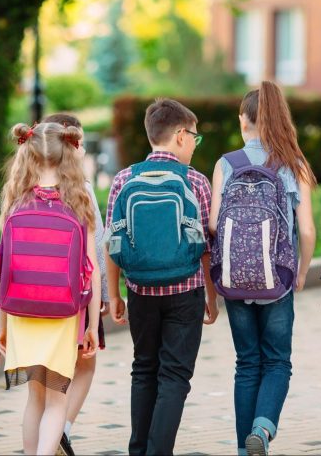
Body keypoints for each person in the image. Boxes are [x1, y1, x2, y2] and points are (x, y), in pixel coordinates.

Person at [208, 81, 316, 456]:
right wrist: (301, 272)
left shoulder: (226, 164)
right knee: (277, 362)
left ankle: (244, 449)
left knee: (247, 364)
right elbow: (306, 229)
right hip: (278, 279)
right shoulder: (293, 163)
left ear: (243, 120)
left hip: (235, 280)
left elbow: (212, 224)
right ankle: (263, 429)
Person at [106, 98, 218, 455]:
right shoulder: (197, 183)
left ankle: (138, 449)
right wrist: (211, 297)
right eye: (195, 139)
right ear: (182, 136)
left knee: (144, 369)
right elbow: (205, 247)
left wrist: (114, 295)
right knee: (174, 376)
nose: (194, 147)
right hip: (185, 292)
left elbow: (112, 241)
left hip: (140, 289)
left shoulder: (124, 179)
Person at [0, 122, 102, 455]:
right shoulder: (78, 201)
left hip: (22, 312)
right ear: (68, 153)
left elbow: (3, 268)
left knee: (34, 398)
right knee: (58, 400)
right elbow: (92, 270)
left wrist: (2, 324)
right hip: (63, 314)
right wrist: (91, 327)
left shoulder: (14, 201)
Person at [42, 112, 110, 456]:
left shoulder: (26, 186)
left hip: (36, 296)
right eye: (78, 142)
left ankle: (46, 435)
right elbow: (97, 247)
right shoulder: (79, 188)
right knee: (85, 363)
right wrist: (106, 298)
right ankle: (61, 430)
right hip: (77, 296)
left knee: (43, 381)